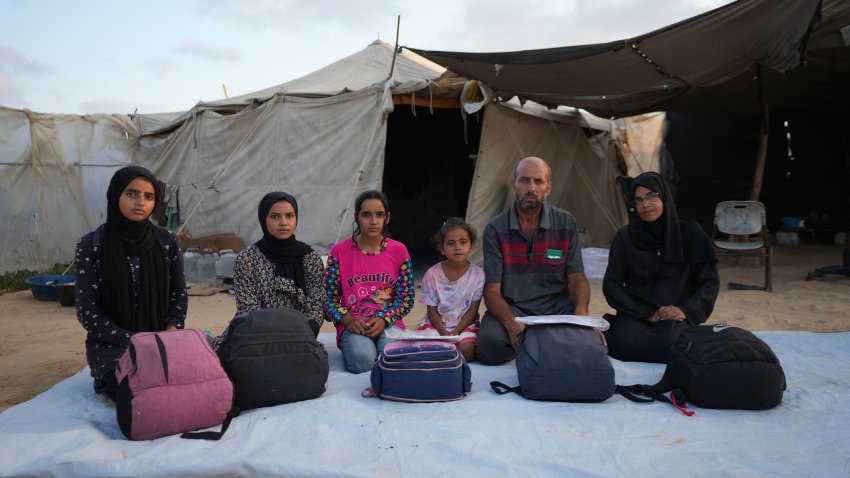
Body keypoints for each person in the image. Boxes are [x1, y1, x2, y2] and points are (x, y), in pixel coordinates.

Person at [74, 166, 187, 399]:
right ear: (116, 196)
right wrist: (132, 339)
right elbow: (88, 311)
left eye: (149, 196)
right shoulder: (91, 245)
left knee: (189, 376)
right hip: (111, 344)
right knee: (133, 387)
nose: (141, 202)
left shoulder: (167, 241)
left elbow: (178, 293)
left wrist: (169, 332)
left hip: (161, 339)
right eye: (132, 194)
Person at [479, 156, 590, 365]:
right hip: (514, 309)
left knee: (586, 341)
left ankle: (536, 343)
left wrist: (581, 314)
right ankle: (542, 342)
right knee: (490, 345)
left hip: (556, 308)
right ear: (514, 185)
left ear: (548, 187)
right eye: (524, 180)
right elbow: (492, 291)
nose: (531, 188)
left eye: (538, 181)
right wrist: (511, 324)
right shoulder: (495, 229)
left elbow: (577, 279)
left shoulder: (566, 222)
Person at [602, 171, 720, 363]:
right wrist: (644, 312)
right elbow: (611, 285)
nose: (645, 204)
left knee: (672, 346)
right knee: (625, 344)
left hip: (674, 314)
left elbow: (709, 282)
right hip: (636, 312)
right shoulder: (625, 237)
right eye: (638, 200)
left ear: (664, 196)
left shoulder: (690, 233)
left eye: (651, 196)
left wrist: (685, 311)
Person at [209, 191, 326, 350]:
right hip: (255, 334)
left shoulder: (309, 258)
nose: (283, 222)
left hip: (300, 335)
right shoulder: (247, 259)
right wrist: (273, 337)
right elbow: (248, 308)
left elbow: (316, 304)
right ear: (263, 219)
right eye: (275, 216)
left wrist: (305, 334)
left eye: (290, 216)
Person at [324, 190, 415, 373]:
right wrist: (347, 319)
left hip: (388, 323)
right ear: (357, 217)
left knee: (393, 359)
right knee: (362, 362)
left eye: (379, 214)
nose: (373, 221)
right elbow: (327, 298)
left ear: (387, 217)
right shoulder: (339, 252)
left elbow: (406, 297)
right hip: (354, 325)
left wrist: (384, 318)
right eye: (366, 214)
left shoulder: (399, 251)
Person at [416, 217, 485, 362]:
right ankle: (444, 355)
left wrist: (457, 331)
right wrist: (443, 332)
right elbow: (432, 309)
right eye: (451, 243)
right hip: (436, 325)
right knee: (426, 348)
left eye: (463, 242)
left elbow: (473, 311)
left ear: (471, 245)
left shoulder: (478, 275)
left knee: (468, 351)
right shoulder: (432, 275)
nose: (458, 247)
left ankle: (446, 357)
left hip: (465, 325)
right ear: (442, 248)